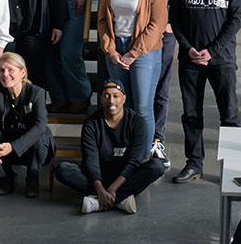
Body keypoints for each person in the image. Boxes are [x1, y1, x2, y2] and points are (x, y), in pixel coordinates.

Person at [113, 0, 187, 167]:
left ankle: (155, 141)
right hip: (125, 34)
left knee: (158, 90)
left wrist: (170, 23)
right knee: (129, 92)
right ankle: (132, 141)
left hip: (161, 33)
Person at [169, 0, 241, 184]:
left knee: (229, 115)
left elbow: (236, 19)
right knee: (191, 114)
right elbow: (175, 17)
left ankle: (232, 170)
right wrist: (188, 47)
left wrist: (211, 51)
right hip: (190, 60)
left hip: (221, 60)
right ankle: (194, 163)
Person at [98, 0, 168, 154]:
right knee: (120, 106)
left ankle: (142, 155)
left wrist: (133, 53)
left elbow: (158, 24)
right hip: (117, 49)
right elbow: (102, 20)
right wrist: (111, 51)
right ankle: (124, 150)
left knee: (143, 107)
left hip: (144, 51)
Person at [55, 79, 165, 214]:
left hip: (125, 177)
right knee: (63, 169)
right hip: (99, 175)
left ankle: (98, 202)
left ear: (124, 98)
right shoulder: (92, 123)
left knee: (156, 166)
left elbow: (135, 161)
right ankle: (120, 200)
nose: (111, 101)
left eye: (116, 96)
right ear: (101, 99)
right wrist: (100, 189)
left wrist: (113, 189)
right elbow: (90, 161)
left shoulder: (137, 122)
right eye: (106, 96)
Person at [0, 51, 54, 197]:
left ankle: (32, 177)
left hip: (30, 149)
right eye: (1, 70)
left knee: (42, 134)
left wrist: (13, 147)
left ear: (22, 72)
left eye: (10, 70)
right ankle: (6, 177)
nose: (5, 74)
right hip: (4, 146)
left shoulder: (37, 92)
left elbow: (40, 124)